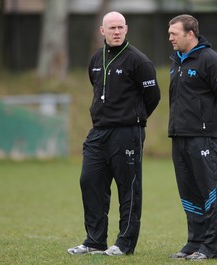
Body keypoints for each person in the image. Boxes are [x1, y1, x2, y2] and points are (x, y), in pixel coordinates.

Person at [67, 11, 160, 256]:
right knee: (89, 182)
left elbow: (153, 97)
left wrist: (134, 118)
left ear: (126, 29)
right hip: (98, 133)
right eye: (112, 28)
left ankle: (124, 244)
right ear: (102, 31)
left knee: (128, 188)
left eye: (120, 27)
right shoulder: (96, 59)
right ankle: (94, 241)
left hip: (128, 133)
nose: (116, 32)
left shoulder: (139, 61)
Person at [167, 14, 217, 260]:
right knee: (189, 192)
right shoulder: (176, 61)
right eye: (169, 33)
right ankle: (195, 242)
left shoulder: (212, 61)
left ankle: (213, 247)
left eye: (174, 33)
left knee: (211, 192)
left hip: (204, 138)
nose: (170, 37)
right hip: (180, 137)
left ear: (190, 33)